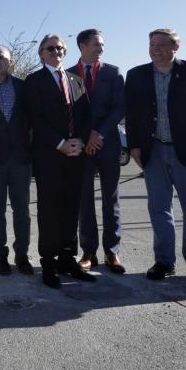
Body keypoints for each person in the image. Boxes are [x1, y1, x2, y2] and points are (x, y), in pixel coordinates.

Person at [125, 28, 186, 286]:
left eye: (163, 45)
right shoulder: (136, 75)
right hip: (153, 151)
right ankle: (164, 261)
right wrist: (134, 145)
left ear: (175, 47)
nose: (156, 49)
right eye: (152, 44)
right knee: (158, 209)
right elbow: (131, 114)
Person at [24, 34, 96, 288]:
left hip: (75, 156)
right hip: (49, 157)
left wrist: (79, 140)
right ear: (41, 53)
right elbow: (35, 119)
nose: (57, 52)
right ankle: (49, 262)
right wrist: (60, 144)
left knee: (71, 208)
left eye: (60, 48)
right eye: (51, 48)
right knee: (49, 210)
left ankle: (68, 258)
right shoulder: (33, 81)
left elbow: (86, 116)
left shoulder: (76, 80)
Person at [73, 29, 127, 274]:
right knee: (84, 199)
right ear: (82, 45)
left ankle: (112, 251)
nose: (101, 49)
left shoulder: (113, 73)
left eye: (102, 45)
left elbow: (119, 108)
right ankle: (88, 251)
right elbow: (69, 112)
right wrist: (87, 137)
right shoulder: (69, 75)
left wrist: (99, 133)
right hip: (82, 147)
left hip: (107, 144)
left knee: (111, 199)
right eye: (96, 44)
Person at [0, 46, 34, 276]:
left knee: (22, 211)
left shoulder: (23, 87)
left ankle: (22, 255)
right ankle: (0, 256)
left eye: (2, 57)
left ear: (10, 61)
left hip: (21, 160)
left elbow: (32, 121)